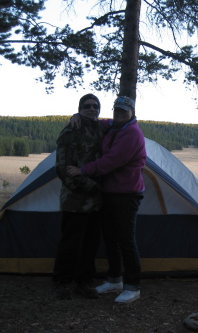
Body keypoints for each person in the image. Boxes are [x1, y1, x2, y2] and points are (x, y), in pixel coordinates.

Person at [67, 96, 146, 303]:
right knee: (111, 239)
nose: (119, 113)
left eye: (124, 111)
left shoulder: (132, 133)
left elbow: (109, 162)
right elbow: (97, 122)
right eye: (117, 110)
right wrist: (77, 116)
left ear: (132, 113)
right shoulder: (114, 126)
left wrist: (82, 170)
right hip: (110, 192)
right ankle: (114, 280)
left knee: (126, 241)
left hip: (126, 194)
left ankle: (133, 286)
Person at [53, 93, 103, 300]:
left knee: (90, 243)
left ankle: (84, 282)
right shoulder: (71, 131)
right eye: (86, 106)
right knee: (71, 243)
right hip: (75, 199)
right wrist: (90, 186)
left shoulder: (101, 129)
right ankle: (63, 282)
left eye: (95, 106)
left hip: (96, 202)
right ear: (80, 109)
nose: (92, 109)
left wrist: (96, 191)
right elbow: (62, 169)